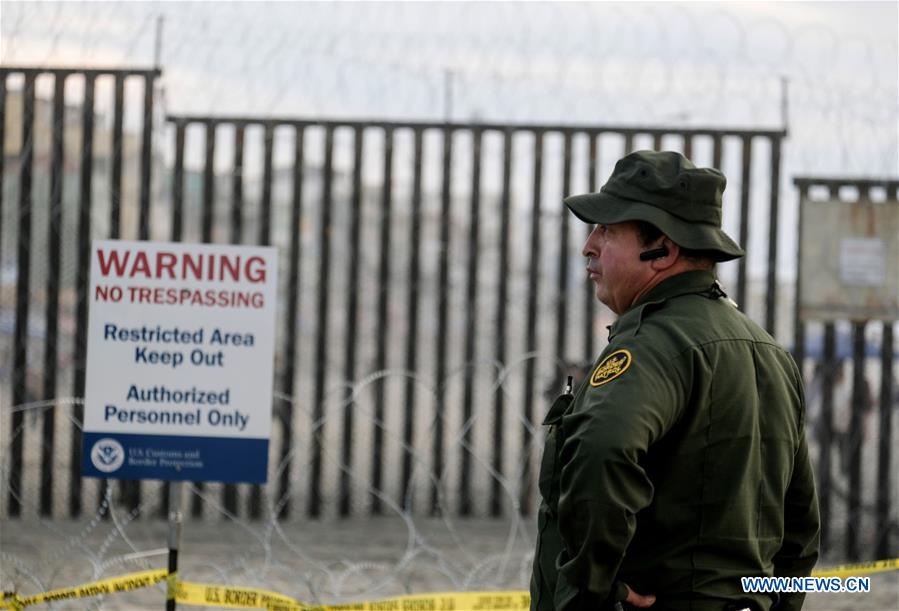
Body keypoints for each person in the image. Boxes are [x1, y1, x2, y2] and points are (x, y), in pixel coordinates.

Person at [530, 151, 820, 611]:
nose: (589, 246)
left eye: (607, 230)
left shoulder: (651, 347)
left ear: (662, 250)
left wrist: (594, 589)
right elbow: (799, 523)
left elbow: (602, 449)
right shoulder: (769, 353)